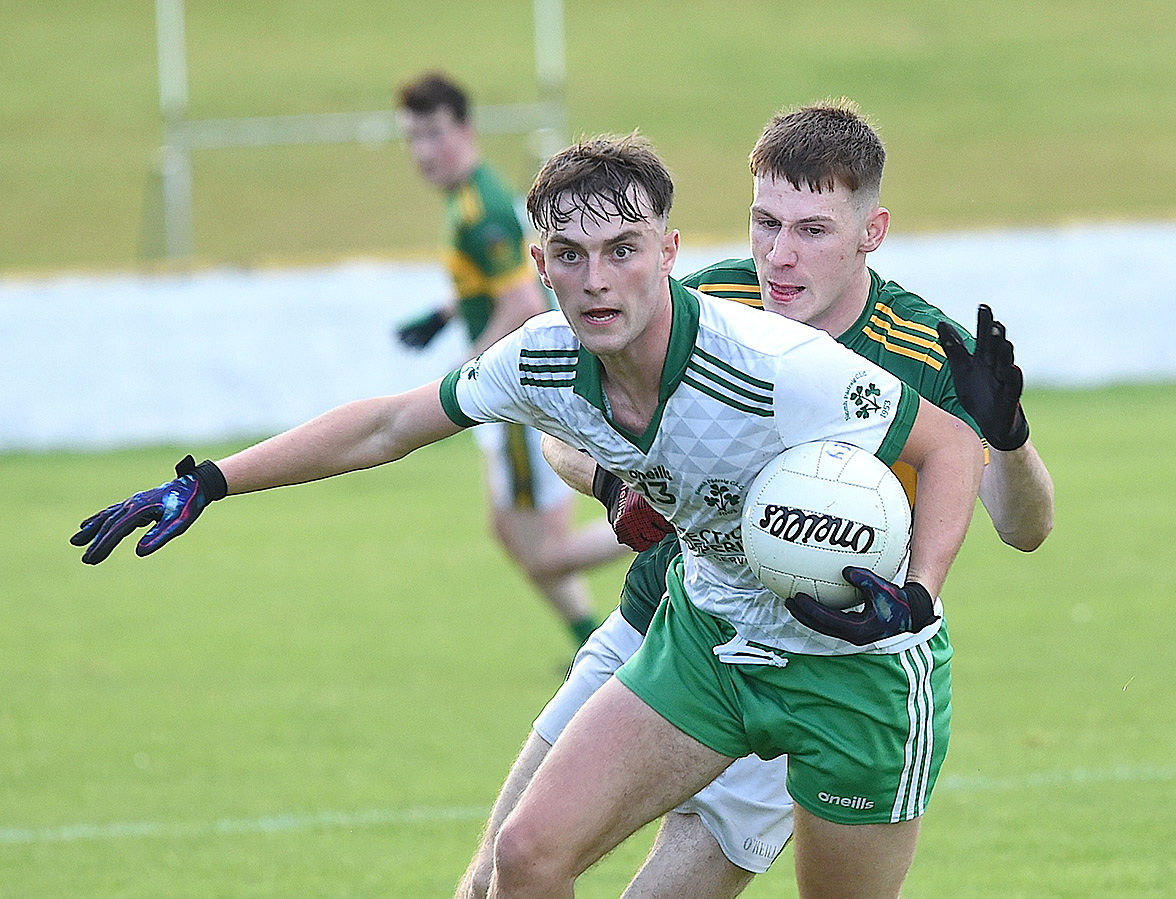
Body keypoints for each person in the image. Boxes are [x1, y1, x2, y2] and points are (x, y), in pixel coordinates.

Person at [71, 133, 982, 899]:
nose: (597, 280)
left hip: (855, 671)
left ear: (669, 252)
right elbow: (389, 425)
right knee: (526, 855)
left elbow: (950, 447)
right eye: (571, 256)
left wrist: (916, 593)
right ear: (539, 265)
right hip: (707, 641)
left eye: (623, 249)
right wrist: (212, 482)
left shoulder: (772, 364)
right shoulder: (540, 357)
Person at [453, 100, 1053, 899]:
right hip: (663, 625)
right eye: (765, 223)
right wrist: (611, 479)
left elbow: (1025, 527)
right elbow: (569, 416)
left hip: (814, 660)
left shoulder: (926, 350)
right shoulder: (707, 298)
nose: (779, 254)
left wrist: (1008, 438)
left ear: (870, 232)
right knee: (497, 876)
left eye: (812, 230)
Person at [394, 72, 626, 648]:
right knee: (507, 530)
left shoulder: (482, 210)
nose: (423, 151)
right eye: (413, 137)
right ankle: (588, 641)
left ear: (465, 129)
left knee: (544, 553)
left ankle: (665, 526)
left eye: (434, 133)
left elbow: (522, 305)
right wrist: (446, 313)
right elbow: (500, 284)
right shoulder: (468, 199)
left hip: (518, 394)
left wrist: (467, 371)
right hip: (517, 389)